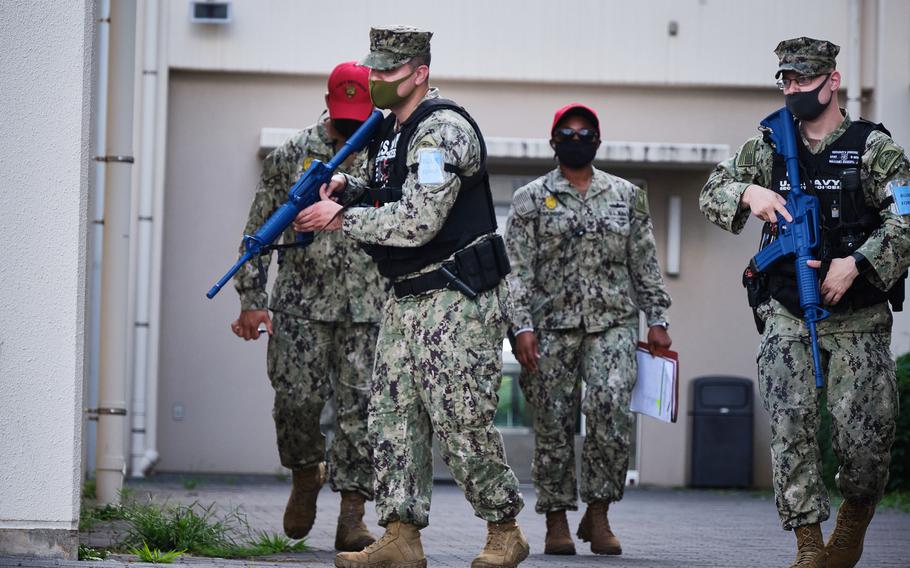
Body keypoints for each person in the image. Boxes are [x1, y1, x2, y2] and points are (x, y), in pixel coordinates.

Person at [294, 25, 528, 568]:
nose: (376, 80)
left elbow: (420, 220)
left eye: (389, 72)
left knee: (460, 418)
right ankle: (400, 535)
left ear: (419, 73)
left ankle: (504, 529)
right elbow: (393, 193)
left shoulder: (443, 130)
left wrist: (342, 216)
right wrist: (350, 190)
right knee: (392, 417)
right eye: (372, 69)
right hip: (405, 299)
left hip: (455, 297)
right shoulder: (390, 131)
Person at [699, 37, 910, 568]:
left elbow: (906, 218)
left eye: (803, 80)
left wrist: (857, 262)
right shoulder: (769, 142)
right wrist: (752, 195)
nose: (793, 90)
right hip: (789, 315)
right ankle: (809, 547)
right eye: (786, 81)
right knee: (790, 430)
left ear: (832, 81)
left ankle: (854, 522)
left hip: (858, 317)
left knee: (865, 445)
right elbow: (712, 190)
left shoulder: (872, 148)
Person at [230, 61, 388, 552]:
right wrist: (252, 301)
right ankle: (305, 473)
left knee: (361, 412)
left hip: (370, 308)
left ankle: (353, 514)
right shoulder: (293, 155)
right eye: (343, 112)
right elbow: (258, 230)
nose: (350, 121)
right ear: (327, 104)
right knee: (296, 404)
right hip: (300, 305)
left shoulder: (387, 153)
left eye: (358, 112)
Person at [504, 103, 672, 556]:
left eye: (585, 133)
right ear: (553, 140)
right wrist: (520, 327)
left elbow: (644, 262)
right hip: (550, 328)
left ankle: (598, 515)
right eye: (567, 132)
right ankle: (556, 519)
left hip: (612, 324)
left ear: (598, 141)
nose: (576, 139)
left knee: (610, 414)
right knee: (553, 424)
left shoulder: (626, 195)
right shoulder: (530, 198)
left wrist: (657, 319)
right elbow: (515, 272)